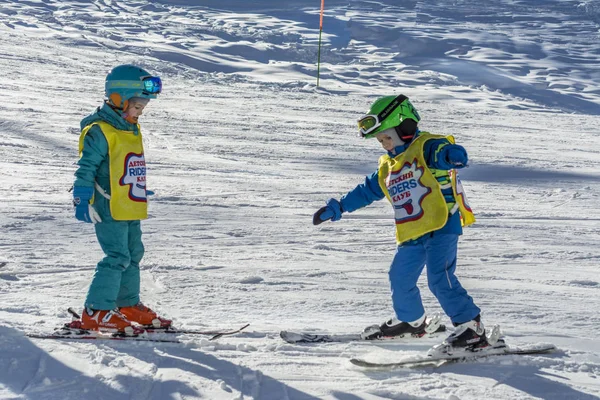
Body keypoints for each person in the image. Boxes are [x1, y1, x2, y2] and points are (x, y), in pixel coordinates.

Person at [313, 94, 488, 353]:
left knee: (440, 278)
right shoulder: (388, 166)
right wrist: (338, 207)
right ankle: (412, 321)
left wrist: (452, 155)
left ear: (405, 127)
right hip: (412, 231)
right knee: (399, 276)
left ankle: (471, 329)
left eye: (386, 137)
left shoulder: (426, 146)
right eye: (380, 140)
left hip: (442, 225)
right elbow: (367, 190)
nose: (384, 144)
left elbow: (444, 152)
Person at [72, 64, 171, 336]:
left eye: (142, 108)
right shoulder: (99, 130)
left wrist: (137, 187)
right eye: (136, 106)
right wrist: (82, 196)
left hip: (129, 202)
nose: (139, 113)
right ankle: (96, 311)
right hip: (106, 204)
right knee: (116, 256)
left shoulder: (129, 129)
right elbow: (87, 167)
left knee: (134, 254)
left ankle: (126, 304)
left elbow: (125, 165)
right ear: (118, 99)